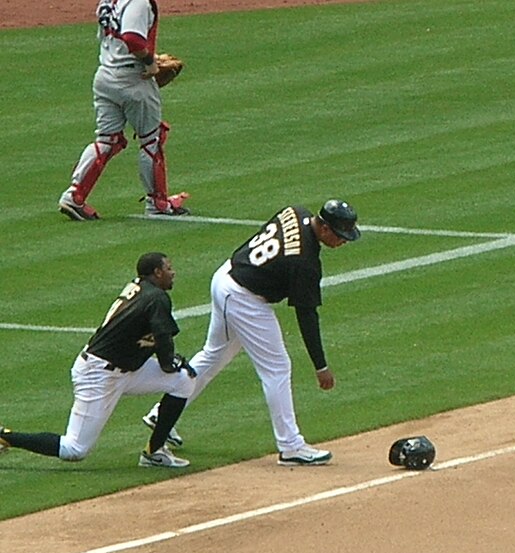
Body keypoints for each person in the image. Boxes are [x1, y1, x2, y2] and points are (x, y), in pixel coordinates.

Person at [142, 199, 361, 465]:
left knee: (213, 356)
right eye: (341, 235)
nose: (343, 242)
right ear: (325, 229)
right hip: (243, 298)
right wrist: (321, 365)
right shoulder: (305, 263)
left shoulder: (296, 211)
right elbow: (306, 316)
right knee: (277, 367)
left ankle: (161, 415)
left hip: (227, 276)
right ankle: (291, 446)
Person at [0, 253, 197, 468]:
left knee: (183, 380)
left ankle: (154, 452)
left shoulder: (141, 288)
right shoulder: (157, 298)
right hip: (99, 374)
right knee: (74, 449)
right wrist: (168, 363)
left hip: (125, 369)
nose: (173, 272)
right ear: (157, 273)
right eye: (168, 268)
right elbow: (162, 337)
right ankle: (5, 437)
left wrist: (170, 365)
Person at [56, 0, 190, 222]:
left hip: (106, 75)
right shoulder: (139, 2)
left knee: (107, 140)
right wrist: (150, 63)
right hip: (133, 81)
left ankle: (74, 196)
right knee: (152, 139)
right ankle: (158, 203)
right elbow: (132, 39)